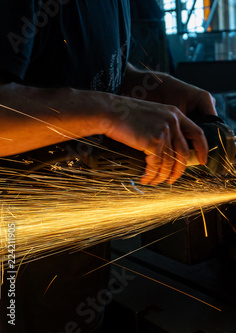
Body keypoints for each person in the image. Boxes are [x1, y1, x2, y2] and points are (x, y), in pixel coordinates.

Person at [0, 1, 216, 332]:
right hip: (14, 249)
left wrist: (145, 87)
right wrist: (111, 110)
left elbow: (82, 67)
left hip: (75, 249)